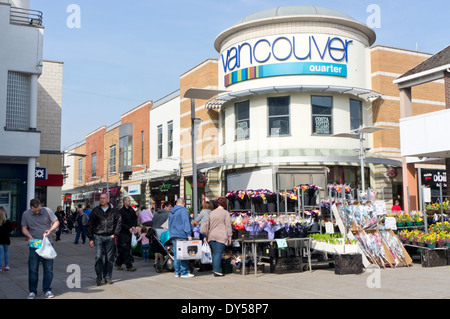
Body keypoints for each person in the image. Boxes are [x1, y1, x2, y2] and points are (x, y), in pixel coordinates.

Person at [21, 199, 60, 299]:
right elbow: (24, 228)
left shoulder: (47, 211)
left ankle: (47, 290)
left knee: (48, 269)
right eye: (35, 210)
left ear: (40, 205)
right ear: (31, 207)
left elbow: (56, 222)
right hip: (34, 245)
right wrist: (29, 236)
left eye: (38, 209)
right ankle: (32, 291)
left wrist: (50, 230)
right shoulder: (26, 214)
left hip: (47, 244)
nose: (37, 212)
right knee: (33, 269)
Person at [87, 193, 122, 286]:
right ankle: (99, 276)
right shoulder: (95, 210)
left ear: (108, 199)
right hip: (98, 237)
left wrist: (115, 234)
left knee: (109, 258)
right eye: (100, 198)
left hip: (110, 236)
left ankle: (108, 277)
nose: (101, 200)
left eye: (103, 198)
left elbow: (119, 221)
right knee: (98, 257)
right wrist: (90, 238)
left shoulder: (114, 210)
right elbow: (90, 224)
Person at [201, 197, 232, 277]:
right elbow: (228, 225)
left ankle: (215, 269)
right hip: (221, 235)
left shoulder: (212, 212)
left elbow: (207, 224)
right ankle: (216, 271)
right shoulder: (225, 213)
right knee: (218, 253)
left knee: (215, 253)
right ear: (225, 204)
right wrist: (230, 236)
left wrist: (206, 235)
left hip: (212, 235)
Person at [169, 197, 194, 278]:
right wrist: (189, 234)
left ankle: (177, 272)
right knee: (184, 255)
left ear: (176, 203)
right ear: (183, 203)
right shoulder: (183, 210)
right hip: (182, 235)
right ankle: (184, 272)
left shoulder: (171, 211)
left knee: (176, 255)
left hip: (173, 235)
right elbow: (185, 223)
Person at [114, 197, 137, 271]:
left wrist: (134, 226)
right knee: (126, 249)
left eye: (130, 201)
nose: (129, 202)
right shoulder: (121, 211)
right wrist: (128, 228)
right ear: (124, 202)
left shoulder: (132, 210)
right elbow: (121, 223)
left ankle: (118, 263)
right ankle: (129, 266)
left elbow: (135, 219)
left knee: (125, 249)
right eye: (128, 201)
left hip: (130, 233)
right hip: (123, 233)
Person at [152, 201, 172, 271]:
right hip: (163, 234)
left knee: (157, 249)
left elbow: (152, 222)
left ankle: (156, 262)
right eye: (169, 206)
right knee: (162, 249)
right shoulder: (168, 214)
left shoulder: (156, 213)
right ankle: (161, 263)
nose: (170, 208)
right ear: (165, 207)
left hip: (155, 233)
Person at [0, 207, 12, 272]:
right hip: (6, 239)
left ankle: (0, 267)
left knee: (0, 254)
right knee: (6, 252)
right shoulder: (7, 222)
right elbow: (10, 230)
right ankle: (6, 265)